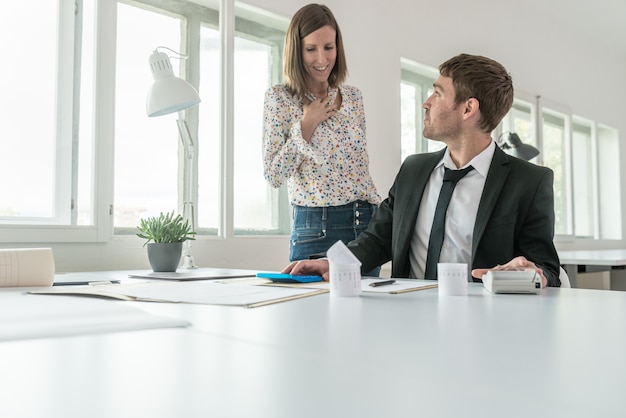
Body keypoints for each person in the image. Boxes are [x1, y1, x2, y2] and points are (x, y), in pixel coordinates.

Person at [283, 53, 561, 287]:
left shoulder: (530, 181)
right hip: (408, 321)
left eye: (438, 93)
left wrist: (532, 273)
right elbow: (378, 239)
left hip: (484, 325)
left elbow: (547, 268)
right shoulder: (414, 169)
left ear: (468, 109)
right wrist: (331, 263)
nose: (426, 102)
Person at [262, 4, 381, 274]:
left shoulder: (353, 97)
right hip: (315, 227)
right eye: (311, 48)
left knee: (369, 314)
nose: (322, 58)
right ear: (296, 50)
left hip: (365, 226)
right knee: (311, 314)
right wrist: (306, 125)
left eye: (329, 47)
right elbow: (274, 176)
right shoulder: (279, 99)